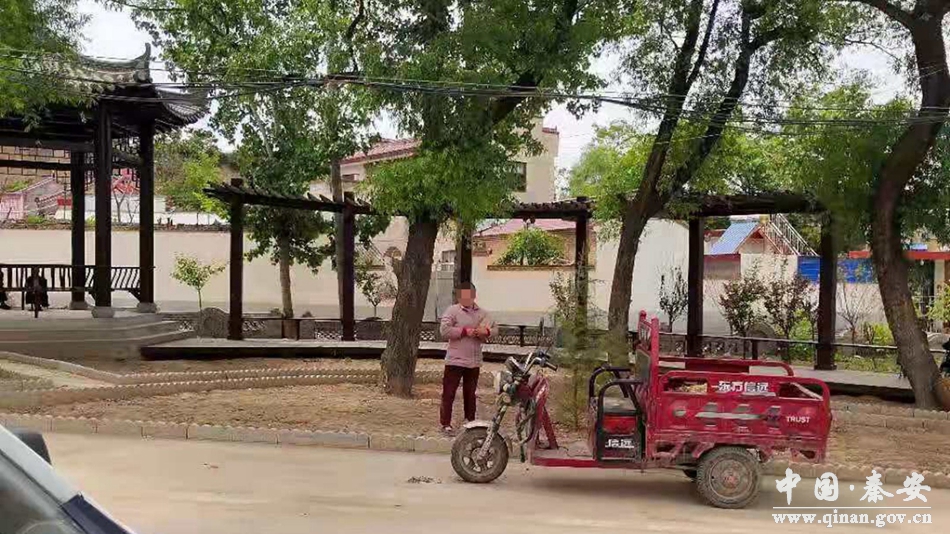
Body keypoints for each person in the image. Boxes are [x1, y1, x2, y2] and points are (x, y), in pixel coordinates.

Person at [439, 282, 495, 434]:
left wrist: (486, 332)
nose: (466, 299)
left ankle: (470, 421)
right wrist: (464, 331)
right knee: (449, 393)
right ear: (458, 297)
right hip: (455, 360)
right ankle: (445, 423)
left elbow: (495, 328)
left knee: (470, 394)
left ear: (474, 295)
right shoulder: (452, 311)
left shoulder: (482, 313)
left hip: (473, 361)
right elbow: (444, 331)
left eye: (469, 296)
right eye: (463, 296)